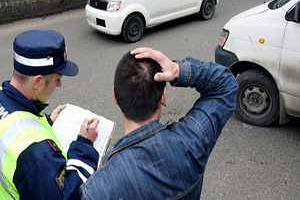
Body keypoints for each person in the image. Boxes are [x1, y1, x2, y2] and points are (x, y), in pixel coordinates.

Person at [80, 47, 238, 199]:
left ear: (115, 96)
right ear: (163, 96)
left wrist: (80, 151)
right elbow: (226, 85)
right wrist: (178, 70)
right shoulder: (192, 141)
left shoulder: (97, 189)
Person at [0, 30, 100, 200]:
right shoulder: (37, 154)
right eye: (57, 78)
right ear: (37, 82)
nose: (59, 84)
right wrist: (84, 145)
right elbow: (67, 196)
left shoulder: (4, 95)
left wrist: (46, 121)